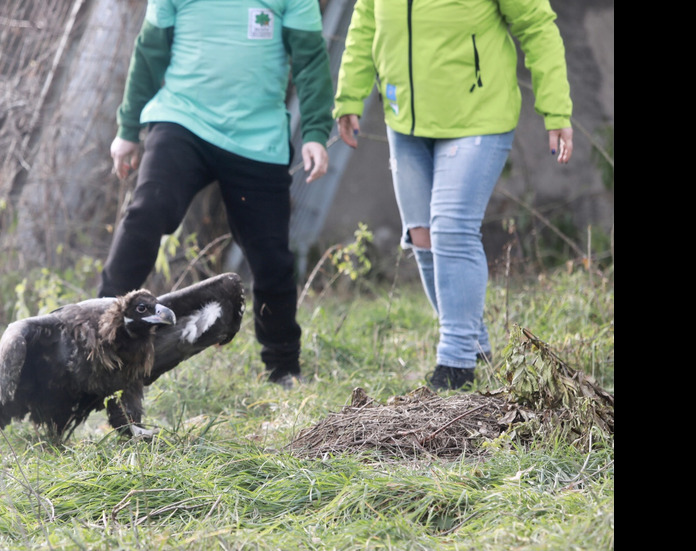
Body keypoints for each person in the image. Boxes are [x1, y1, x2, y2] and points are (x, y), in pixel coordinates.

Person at [332, 0, 574, 390]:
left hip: (477, 114)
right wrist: (349, 95)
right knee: (423, 236)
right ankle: (476, 345)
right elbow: (365, 20)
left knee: (451, 229)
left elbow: (537, 25)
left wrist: (556, 110)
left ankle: (456, 363)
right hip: (406, 118)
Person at [100, 0, 334, 389]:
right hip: (182, 119)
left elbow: (310, 61)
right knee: (147, 210)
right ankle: (95, 336)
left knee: (271, 254)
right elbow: (150, 50)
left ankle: (283, 367)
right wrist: (127, 129)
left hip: (257, 137)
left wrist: (314, 133)